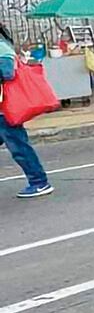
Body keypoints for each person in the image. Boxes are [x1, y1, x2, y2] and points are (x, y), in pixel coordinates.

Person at [0, 24, 53, 198]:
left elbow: (7, 73)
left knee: (19, 147)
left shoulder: (1, 47)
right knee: (18, 145)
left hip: (5, 109)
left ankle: (39, 182)